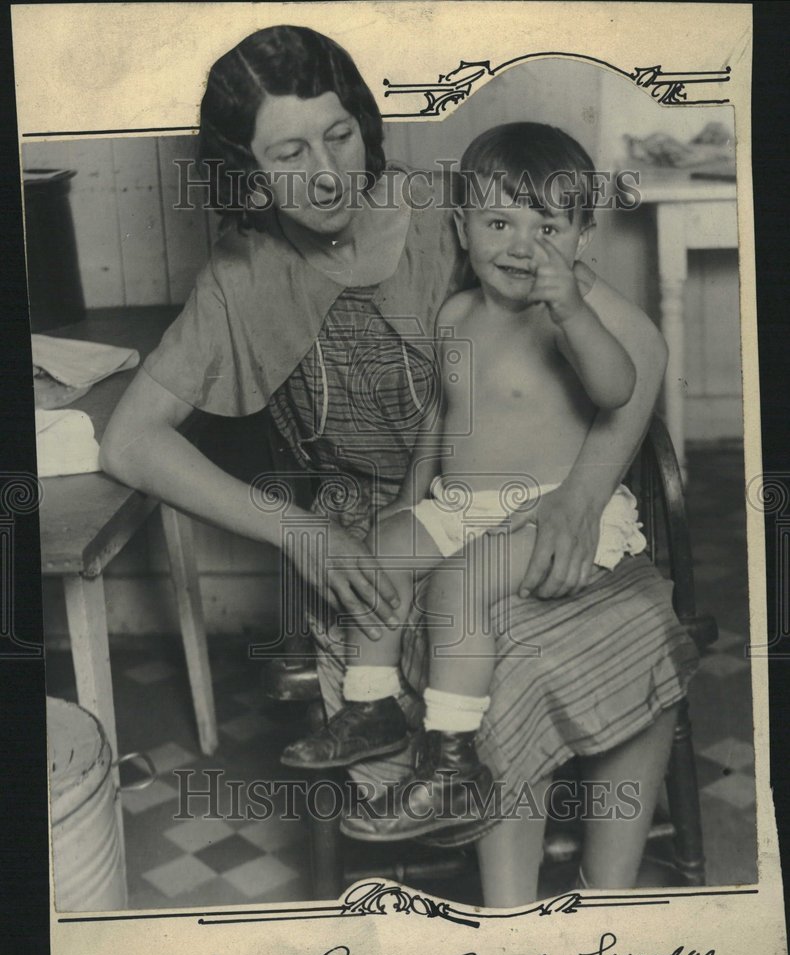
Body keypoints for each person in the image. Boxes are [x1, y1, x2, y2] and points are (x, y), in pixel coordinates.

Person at [100, 25, 697, 907]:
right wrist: (299, 532)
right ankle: (505, 903)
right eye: (289, 153)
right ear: (246, 171)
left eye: (339, 136)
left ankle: (566, 907)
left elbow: (625, 344)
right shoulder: (240, 275)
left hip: (555, 501)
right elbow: (128, 441)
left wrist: (580, 496)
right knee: (457, 626)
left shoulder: (453, 210)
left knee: (527, 647)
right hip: (404, 527)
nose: (328, 174)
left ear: (365, 126)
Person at [281, 122, 689, 859]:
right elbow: (445, 411)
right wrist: (410, 498)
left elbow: (617, 387)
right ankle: (371, 706)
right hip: (461, 507)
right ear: (461, 227)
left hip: (549, 510)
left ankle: (451, 761)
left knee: (457, 589)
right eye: (498, 222)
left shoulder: (573, 322)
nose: (520, 246)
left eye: (548, 227)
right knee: (380, 551)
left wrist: (571, 312)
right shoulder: (455, 315)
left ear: (582, 239)